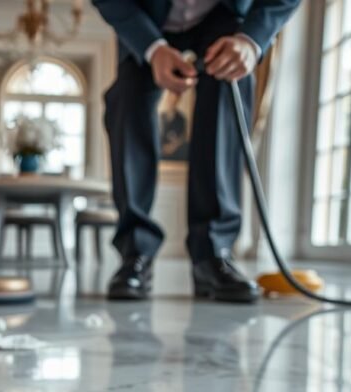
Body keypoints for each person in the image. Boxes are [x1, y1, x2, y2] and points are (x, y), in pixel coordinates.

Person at [93, 0, 300, 302]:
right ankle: (135, 253)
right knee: (127, 96)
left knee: (227, 85)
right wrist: (153, 48)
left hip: (224, 13)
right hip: (147, 15)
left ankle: (213, 254)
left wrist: (251, 39)